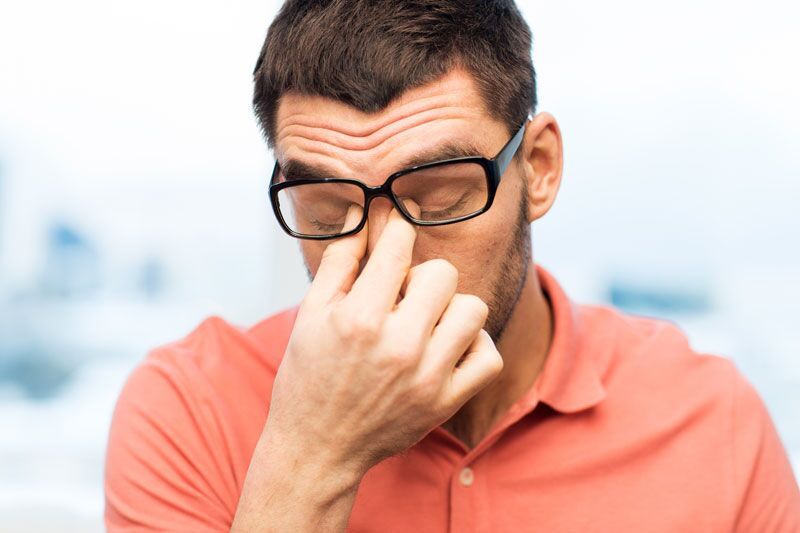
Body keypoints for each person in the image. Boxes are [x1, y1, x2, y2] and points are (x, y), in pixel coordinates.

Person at [104, 0, 800, 531]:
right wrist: (312, 455)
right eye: (325, 207)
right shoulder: (188, 408)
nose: (385, 254)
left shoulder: (712, 421)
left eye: (437, 195)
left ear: (539, 168)